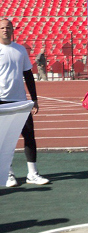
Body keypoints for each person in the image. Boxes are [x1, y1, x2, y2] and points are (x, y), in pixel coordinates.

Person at [0, 18, 49, 187]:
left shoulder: (20, 50)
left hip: (20, 101)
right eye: (2, 28)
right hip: (1, 101)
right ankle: (8, 174)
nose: (5, 30)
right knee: (4, 139)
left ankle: (32, 173)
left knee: (29, 135)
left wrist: (34, 99)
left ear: (13, 29)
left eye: (8, 27)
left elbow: (28, 75)